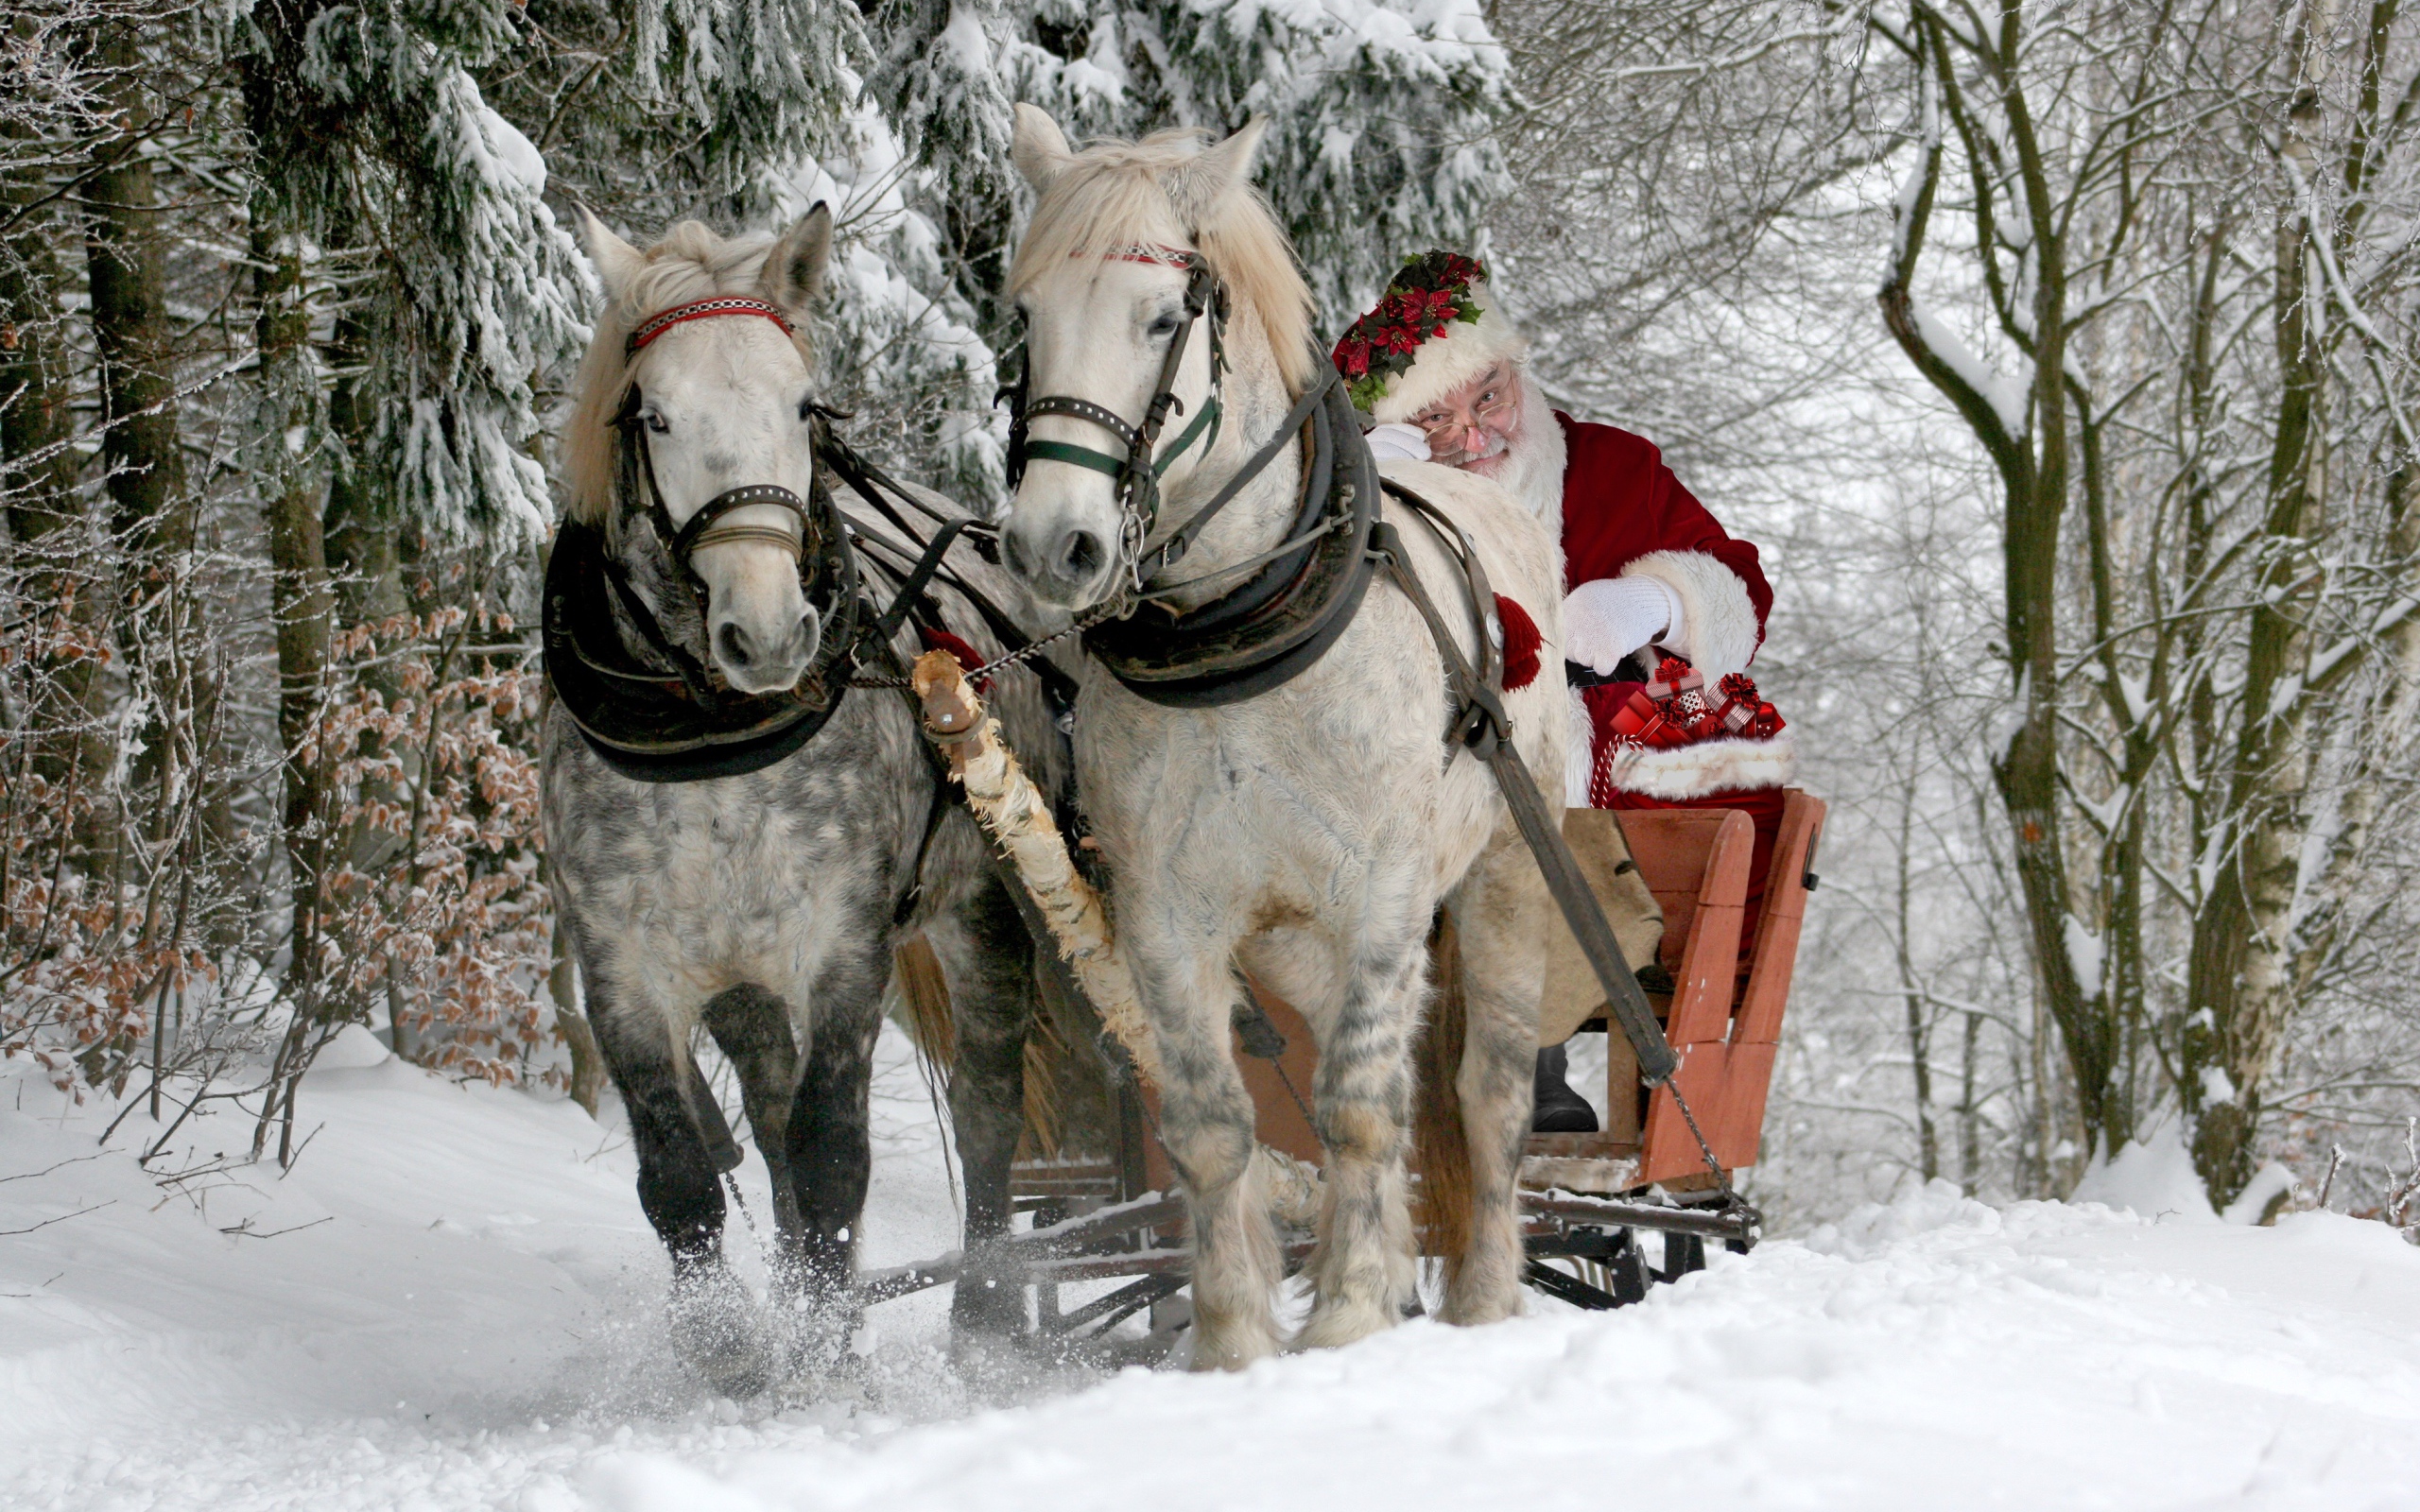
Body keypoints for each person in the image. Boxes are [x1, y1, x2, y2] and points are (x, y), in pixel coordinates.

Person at [1332, 251, 1793, 1134]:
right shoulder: (1362, 486)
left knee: (1547, 807)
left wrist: (1655, 603)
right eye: (1435, 419)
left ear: (1517, 372)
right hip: (1405, 759)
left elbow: (1738, 585)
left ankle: (1544, 1067)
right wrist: (1374, 494)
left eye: (1489, 400)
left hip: (1586, 771)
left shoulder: (1611, 466)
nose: (1475, 437)